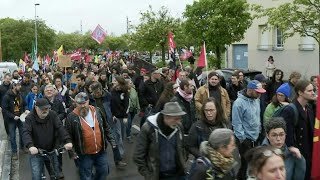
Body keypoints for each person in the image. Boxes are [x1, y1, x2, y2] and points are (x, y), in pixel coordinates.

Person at [65, 92, 117, 180]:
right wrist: (72, 152)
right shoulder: (71, 117)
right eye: (79, 104)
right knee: (86, 176)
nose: (82, 106)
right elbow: (68, 136)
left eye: (84, 103)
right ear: (76, 103)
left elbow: (106, 127)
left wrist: (112, 141)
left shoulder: (97, 111)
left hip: (100, 151)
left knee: (104, 171)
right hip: (84, 154)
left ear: (88, 101)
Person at [133, 102, 186, 180]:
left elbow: (183, 147)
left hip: (177, 175)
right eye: (176, 119)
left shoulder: (179, 127)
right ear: (166, 117)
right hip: (157, 176)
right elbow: (138, 156)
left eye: (180, 118)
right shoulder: (148, 128)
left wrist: (183, 163)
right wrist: (148, 175)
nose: (179, 122)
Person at [22, 98, 73, 179]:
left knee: (55, 174)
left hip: (51, 149)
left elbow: (60, 127)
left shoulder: (52, 114)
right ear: (36, 108)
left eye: (47, 108)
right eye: (42, 109)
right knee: (37, 175)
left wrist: (67, 140)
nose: (45, 110)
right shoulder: (29, 118)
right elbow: (26, 132)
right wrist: (30, 146)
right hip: (37, 151)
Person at [279, 80, 315, 179]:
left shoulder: (309, 108)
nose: (313, 93)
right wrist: (291, 147)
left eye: (313, 90)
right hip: (296, 155)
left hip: (309, 153)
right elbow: (284, 133)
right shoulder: (290, 110)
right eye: (310, 91)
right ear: (300, 92)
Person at [232, 80, 266, 180]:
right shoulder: (238, 103)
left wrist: (260, 131)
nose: (259, 94)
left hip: (256, 137)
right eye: (257, 92)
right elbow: (236, 123)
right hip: (245, 140)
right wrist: (243, 139)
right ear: (250, 90)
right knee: (245, 165)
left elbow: (257, 117)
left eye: (261, 92)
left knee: (254, 164)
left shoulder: (256, 100)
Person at [89, 81, 127, 168]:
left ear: (101, 89)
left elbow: (114, 106)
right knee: (99, 145)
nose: (96, 94)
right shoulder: (90, 99)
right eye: (94, 93)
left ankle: (118, 161)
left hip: (109, 123)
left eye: (98, 92)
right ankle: (100, 163)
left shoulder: (108, 96)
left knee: (114, 142)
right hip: (98, 125)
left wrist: (114, 115)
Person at [2, 81, 26, 160]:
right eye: (18, 85)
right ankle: (14, 152)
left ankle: (23, 147)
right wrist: (13, 116)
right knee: (12, 136)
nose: (20, 87)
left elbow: (24, 105)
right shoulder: (7, 97)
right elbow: (4, 110)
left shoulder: (21, 95)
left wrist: (25, 110)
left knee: (23, 133)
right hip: (11, 120)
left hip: (20, 118)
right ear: (14, 86)